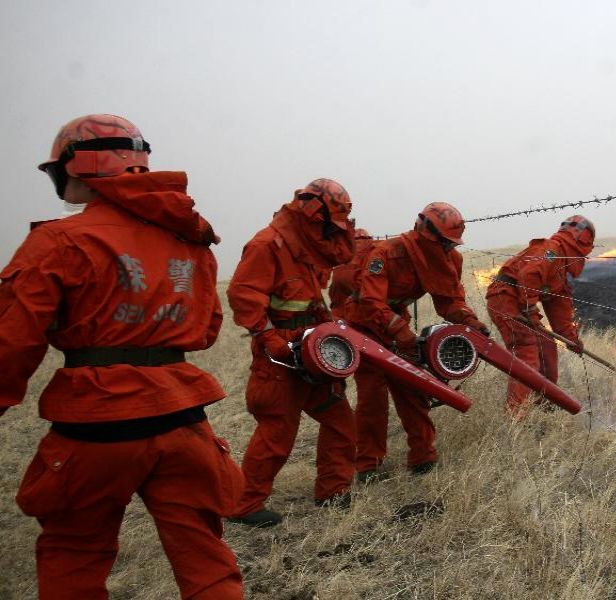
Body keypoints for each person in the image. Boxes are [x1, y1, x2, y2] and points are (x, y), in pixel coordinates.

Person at [0, 114, 244, 599]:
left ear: (75, 167)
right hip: (182, 419)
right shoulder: (188, 236)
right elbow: (207, 328)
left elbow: (12, 343)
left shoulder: (56, 240)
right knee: (206, 560)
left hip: (96, 424)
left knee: (75, 553)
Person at [226, 178, 357, 527]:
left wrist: (328, 328)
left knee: (340, 420)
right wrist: (268, 337)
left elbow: (313, 295)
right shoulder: (267, 245)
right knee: (277, 433)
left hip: (311, 346)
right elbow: (243, 296)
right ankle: (246, 505)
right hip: (280, 351)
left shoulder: (309, 246)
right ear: (314, 214)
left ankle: (334, 490)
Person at [343, 202, 489, 480]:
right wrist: (400, 332)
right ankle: (368, 464)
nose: (448, 249)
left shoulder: (447, 260)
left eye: (451, 244)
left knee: (413, 389)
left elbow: (449, 301)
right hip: (366, 328)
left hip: (398, 326)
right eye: (445, 243)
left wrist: (468, 321)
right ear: (426, 233)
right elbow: (372, 301)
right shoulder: (385, 253)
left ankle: (422, 456)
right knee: (372, 398)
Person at [485, 215, 595, 416]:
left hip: (519, 304)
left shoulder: (560, 269)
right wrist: (529, 308)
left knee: (546, 346)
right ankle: (516, 420)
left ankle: (543, 409)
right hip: (505, 298)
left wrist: (572, 339)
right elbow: (529, 275)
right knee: (526, 352)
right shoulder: (552, 251)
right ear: (583, 243)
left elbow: (560, 313)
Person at [328, 227, 375, 315]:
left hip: (339, 314)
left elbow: (334, 291)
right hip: (361, 315)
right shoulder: (373, 257)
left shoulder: (342, 260)